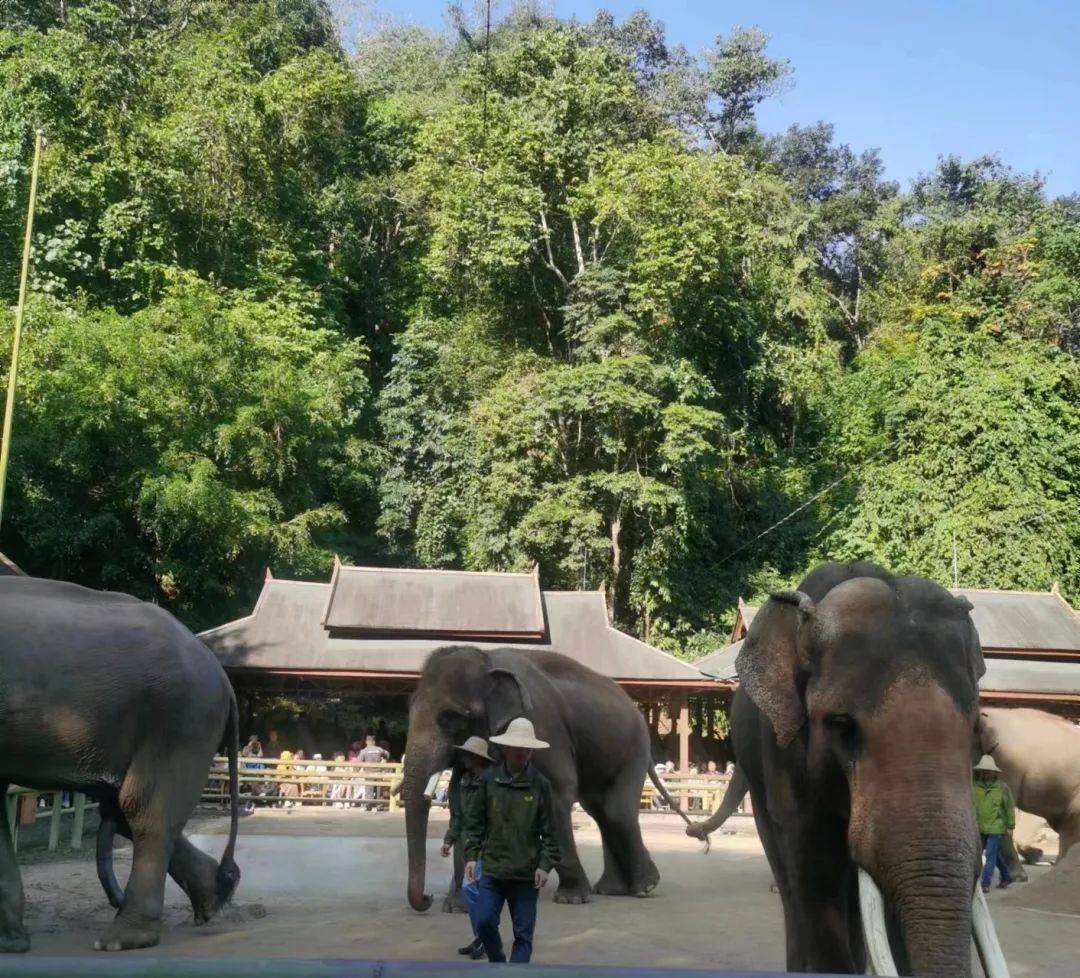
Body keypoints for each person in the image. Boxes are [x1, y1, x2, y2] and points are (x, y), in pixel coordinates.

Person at [464, 717, 560, 965]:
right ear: (507, 748)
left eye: (528, 749)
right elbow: (475, 822)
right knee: (484, 922)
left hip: (526, 875)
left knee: (524, 936)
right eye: (519, 748)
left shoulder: (541, 785)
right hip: (493, 871)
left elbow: (552, 831)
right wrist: (472, 856)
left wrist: (545, 864)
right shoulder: (489, 780)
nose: (524, 753)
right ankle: (498, 963)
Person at [442, 736, 494, 960]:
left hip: (484, 847)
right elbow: (459, 816)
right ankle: (481, 938)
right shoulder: (464, 782)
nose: (463, 758)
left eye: (467, 754)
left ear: (477, 758)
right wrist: (449, 839)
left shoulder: (490, 783)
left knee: (477, 892)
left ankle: (486, 939)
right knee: (472, 892)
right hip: (469, 846)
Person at [973, 754, 1015, 892]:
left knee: (990, 855)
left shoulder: (1002, 788)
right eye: (984, 770)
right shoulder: (974, 787)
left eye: (989, 770)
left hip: (996, 827)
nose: (986, 773)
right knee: (993, 854)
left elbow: (1009, 806)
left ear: (994, 772)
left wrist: (1010, 825)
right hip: (979, 826)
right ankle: (1007, 876)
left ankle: (985, 883)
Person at [358, 733, 390, 810]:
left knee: (369, 789)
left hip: (369, 773)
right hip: (378, 772)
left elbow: (359, 762)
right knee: (379, 790)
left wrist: (357, 771)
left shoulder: (363, 751)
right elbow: (387, 755)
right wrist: (384, 760)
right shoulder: (380, 749)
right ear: (374, 742)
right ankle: (380, 806)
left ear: (366, 742)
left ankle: (369, 806)